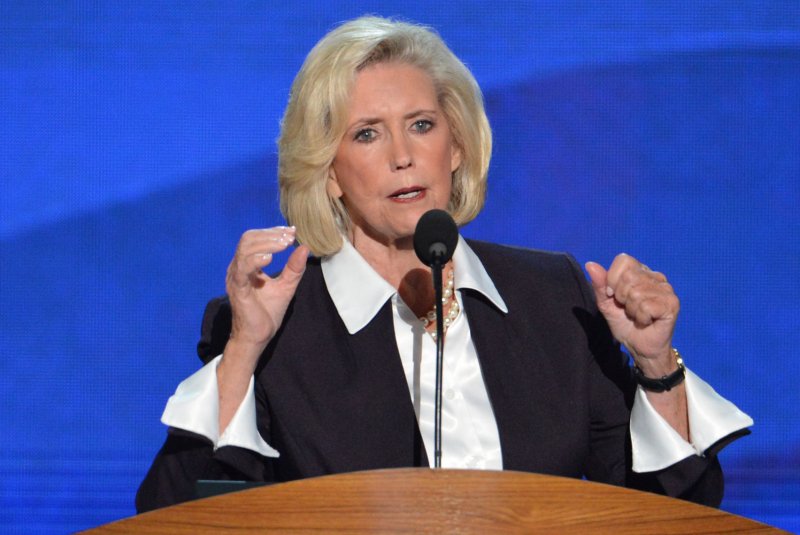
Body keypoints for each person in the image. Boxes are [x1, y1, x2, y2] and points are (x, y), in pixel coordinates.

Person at [136, 16, 752, 513]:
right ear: (327, 173)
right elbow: (177, 515)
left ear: (456, 146)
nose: (404, 156)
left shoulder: (552, 298)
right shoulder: (277, 323)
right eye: (368, 135)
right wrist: (244, 349)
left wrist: (655, 367)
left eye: (422, 125)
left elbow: (670, 512)